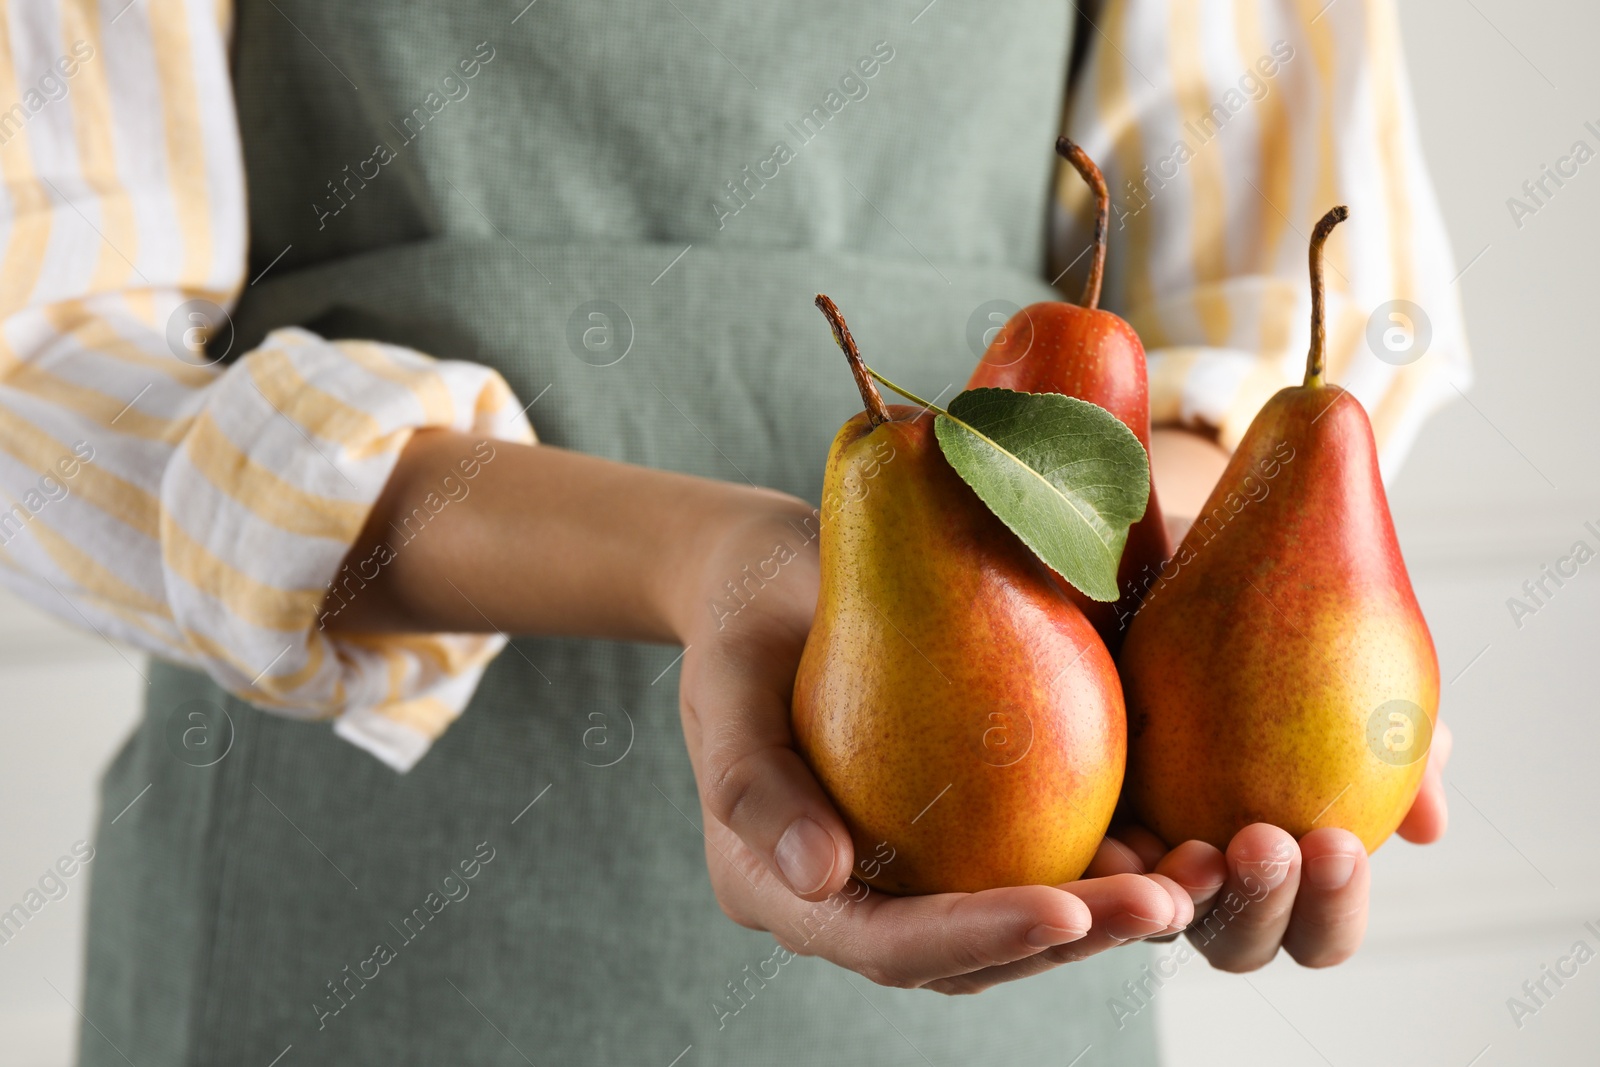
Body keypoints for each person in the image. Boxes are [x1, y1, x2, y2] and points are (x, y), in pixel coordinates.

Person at [0, 1, 1465, 1064]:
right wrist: (702, 561)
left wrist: (1232, 590)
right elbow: (42, 356)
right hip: (334, 931)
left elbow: (1266, 293)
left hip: (1046, 889)